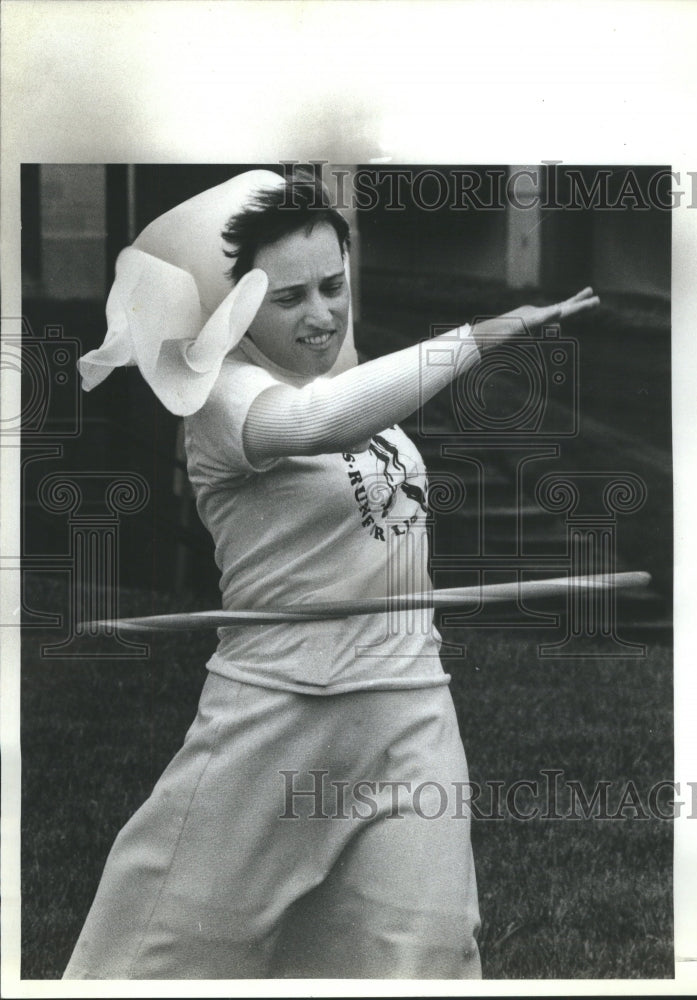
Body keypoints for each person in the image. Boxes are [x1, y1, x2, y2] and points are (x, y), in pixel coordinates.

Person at [64, 167, 599, 980]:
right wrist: (482, 335)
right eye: (289, 299)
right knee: (172, 950)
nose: (320, 314)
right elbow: (315, 423)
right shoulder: (220, 403)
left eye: (333, 286)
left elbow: (348, 416)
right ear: (238, 309)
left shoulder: (343, 380)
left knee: (428, 948)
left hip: (410, 707)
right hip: (278, 714)